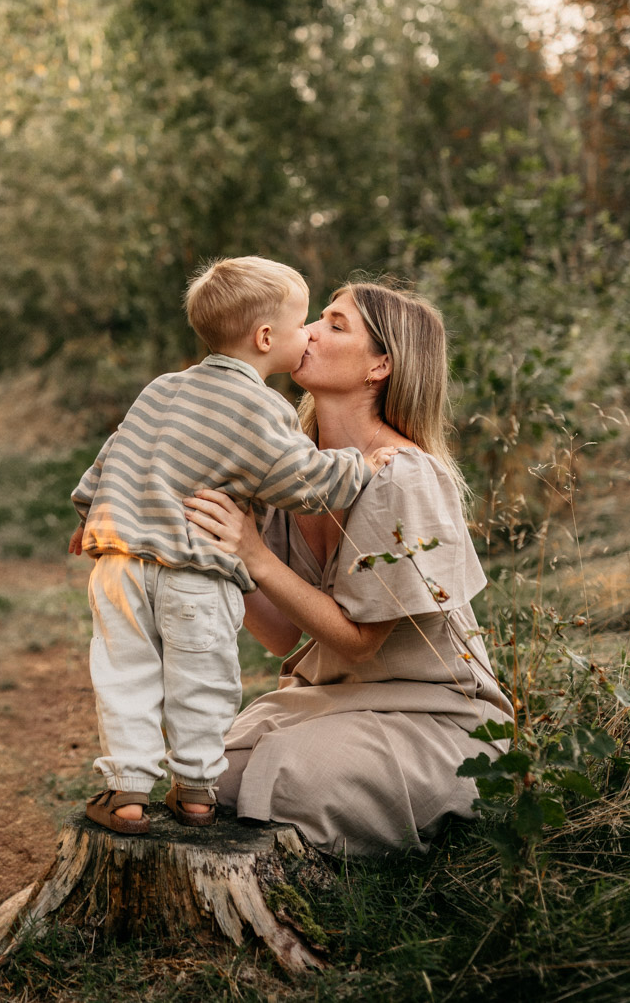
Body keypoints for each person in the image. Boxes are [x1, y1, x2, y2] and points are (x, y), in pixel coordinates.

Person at [69, 257, 398, 836]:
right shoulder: (263, 409)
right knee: (203, 675)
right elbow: (304, 480)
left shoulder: (162, 388)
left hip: (118, 562)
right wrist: (360, 466)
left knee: (124, 673)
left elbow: (116, 451)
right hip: (196, 571)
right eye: (304, 324)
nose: (310, 336)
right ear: (267, 338)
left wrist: (87, 509)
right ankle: (196, 789)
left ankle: (126, 792)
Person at [184, 279, 513, 856]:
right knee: (203, 778)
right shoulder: (292, 473)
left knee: (286, 777)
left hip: (434, 717)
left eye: (334, 325)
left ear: (380, 365)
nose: (305, 331)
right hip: (330, 702)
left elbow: (360, 643)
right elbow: (284, 632)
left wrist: (254, 554)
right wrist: (221, 554)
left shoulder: (405, 476)